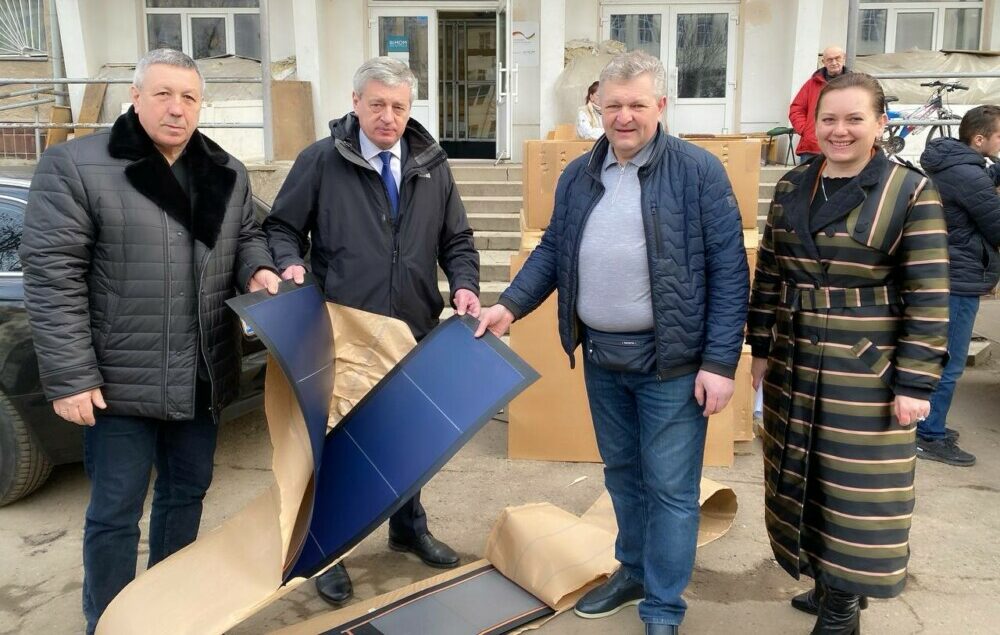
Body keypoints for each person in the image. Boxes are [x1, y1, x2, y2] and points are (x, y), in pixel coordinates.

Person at [476, 51, 748, 635]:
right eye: (613, 105)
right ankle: (633, 572)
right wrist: (509, 306)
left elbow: (729, 271)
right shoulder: (580, 174)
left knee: (671, 488)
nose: (624, 117)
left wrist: (721, 362)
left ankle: (663, 607)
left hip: (673, 363)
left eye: (637, 105)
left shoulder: (698, 172)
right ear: (596, 105)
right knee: (622, 474)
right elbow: (553, 248)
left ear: (661, 106)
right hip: (603, 356)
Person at [19, 48, 281, 634]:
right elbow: (53, 276)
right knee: (115, 510)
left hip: (202, 373)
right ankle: (110, 620)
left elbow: (246, 237)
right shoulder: (77, 166)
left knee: (186, 496)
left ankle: (167, 611)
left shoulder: (225, 170)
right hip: (119, 380)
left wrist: (258, 269)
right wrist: (71, 377)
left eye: (189, 97)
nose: (176, 108)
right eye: (163, 94)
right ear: (134, 97)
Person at [263, 56, 480, 606]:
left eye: (399, 107)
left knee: (406, 437)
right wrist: (290, 264)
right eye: (377, 104)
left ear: (411, 108)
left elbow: (456, 239)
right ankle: (328, 551)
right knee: (338, 442)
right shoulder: (321, 160)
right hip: (344, 328)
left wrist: (464, 284)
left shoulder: (431, 164)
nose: (388, 117)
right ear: (356, 102)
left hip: (412, 325)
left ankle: (407, 528)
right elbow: (282, 228)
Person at [749, 72, 949, 633]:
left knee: (855, 488)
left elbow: (929, 294)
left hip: (864, 368)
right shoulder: (793, 185)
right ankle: (823, 581)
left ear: (880, 123)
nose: (840, 131)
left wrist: (915, 383)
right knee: (801, 472)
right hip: (793, 358)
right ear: (813, 124)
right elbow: (770, 272)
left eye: (854, 119)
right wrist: (760, 346)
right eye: (829, 119)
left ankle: (842, 609)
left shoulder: (909, 191)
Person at [915, 105, 1000, 466]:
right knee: (948, 362)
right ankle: (928, 434)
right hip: (958, 279)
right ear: (979, 139)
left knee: (937, 357)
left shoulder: (953, 165)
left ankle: (928, 423)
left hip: (943, 274)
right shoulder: (969, 176)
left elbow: (982, 182)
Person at [789, 46, 848, 164]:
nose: (834, 63)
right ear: (823, 61)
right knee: (809, 176)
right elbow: (796, 109)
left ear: (844, 58)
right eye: (829, 59)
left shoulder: (855, 84)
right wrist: (806, 131)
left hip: (844, 146)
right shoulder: (812, 84)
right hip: (813, 147)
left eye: (837, 58)